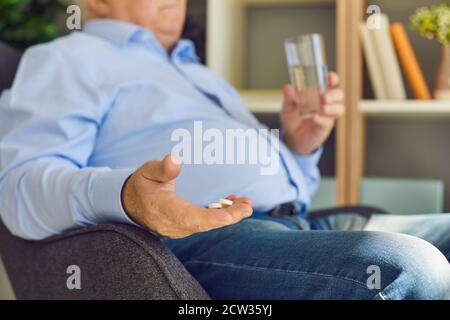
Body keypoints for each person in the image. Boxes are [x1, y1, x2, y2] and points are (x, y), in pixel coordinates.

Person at [0, 0, 449, 300]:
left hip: (302, 223)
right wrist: (124, 196)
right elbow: (18, 185)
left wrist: (298, 147)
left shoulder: (200, 72)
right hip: (212, 237)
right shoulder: (69, 56)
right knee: (409, 270)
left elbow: (295, 189)